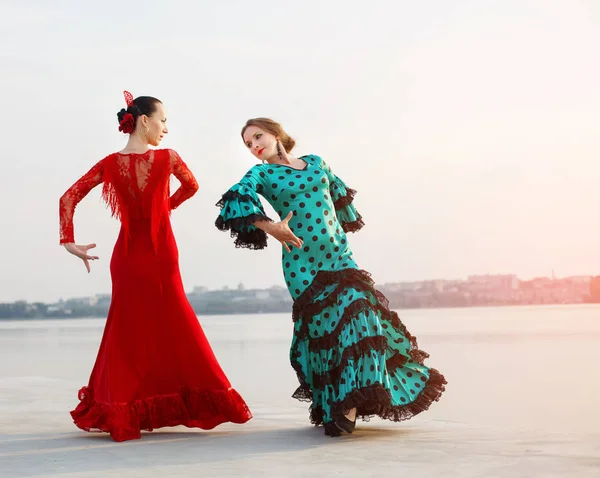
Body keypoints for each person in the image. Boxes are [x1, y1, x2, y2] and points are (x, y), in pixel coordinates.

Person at [215, 118, 446, 436]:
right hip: (302, 263)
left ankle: (349, 401)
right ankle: (335, 406)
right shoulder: (261, 173)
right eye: (248, 144)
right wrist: (273, 227)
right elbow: (237, 199)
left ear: (276, 134)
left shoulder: (316, 163)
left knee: (361, 312)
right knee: (324, 328)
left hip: (339, 256)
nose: (254, 145)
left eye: (258, 136)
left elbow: (335, 203)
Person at [59, 91, 252, 442]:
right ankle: (202, 397)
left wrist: (69, 242)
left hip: (128, 257)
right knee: (178, 321)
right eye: (162, 121)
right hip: (162, 251)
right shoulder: (168, 158)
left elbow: (67, 197)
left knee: (126, 330)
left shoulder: (109, 163)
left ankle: (121, 406)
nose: (165, 129)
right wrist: (164, 208)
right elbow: (192, 185)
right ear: (144, 121)